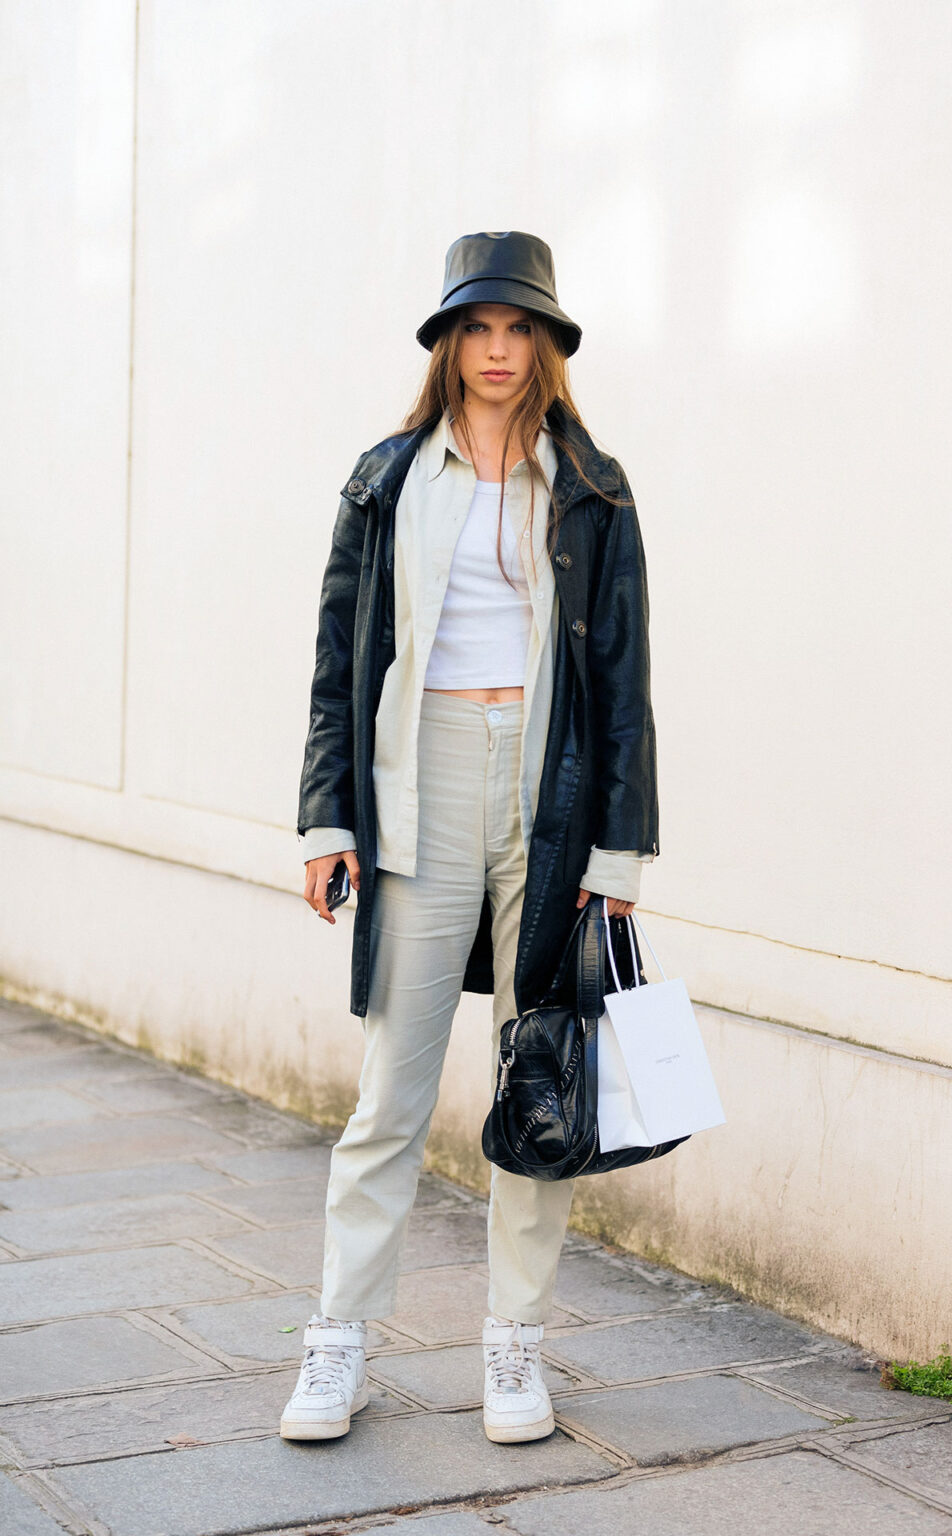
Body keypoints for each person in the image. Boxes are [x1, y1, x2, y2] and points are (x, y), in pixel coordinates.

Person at [281, 231, 659, 1446]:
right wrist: (327, 818)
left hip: (546, 801)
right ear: (448, 345)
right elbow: (340, 667)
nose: (499, 353)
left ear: (546, 347)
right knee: (389, 1095)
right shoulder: (386, 479)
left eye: (520, 331)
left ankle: (515, 1350)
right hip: (421, 783)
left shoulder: (592, 489)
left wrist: (618, 857)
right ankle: (336, 1347)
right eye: (477, 330)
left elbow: (622, 683)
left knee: (536, 1080)